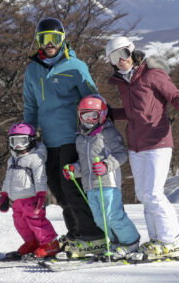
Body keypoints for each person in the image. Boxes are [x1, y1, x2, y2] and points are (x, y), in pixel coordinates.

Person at [104, 36, 179, 258]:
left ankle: (172, 239)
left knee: (154, 193)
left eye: (124, 54)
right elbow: (134, 113)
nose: (121, 61)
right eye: (114, 57)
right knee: (143, 194)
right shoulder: (122, 82)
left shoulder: (152, 73)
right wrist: (111, 114)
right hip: (136, 145)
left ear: (132, 52)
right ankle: (157, 239)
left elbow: (174, 96)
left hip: (158, 141)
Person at [22, 17, 106, 255]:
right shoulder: (33, 70)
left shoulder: (76, 67)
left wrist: (94, 130)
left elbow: (93, 100)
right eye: (44, 39)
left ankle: (93, 235)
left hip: (73, 137)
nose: (50, 44)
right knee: (58, 190)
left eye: (55, 39)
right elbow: (30, 106)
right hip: (48, 140)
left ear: (63, 40)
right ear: (38, 41)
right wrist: (28, 135)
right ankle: (76, 233)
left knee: (74, 189)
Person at [62, 94, 141, 258]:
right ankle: (115, 243)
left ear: (102, 115)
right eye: (85, 115)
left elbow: (120, 154)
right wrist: (73, 170)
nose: (89, 119)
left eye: (94, 116)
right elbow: (84, 165)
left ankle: (130, 242)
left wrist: (105, 165)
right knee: (100, 220)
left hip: (108, 183)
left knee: (113, 216)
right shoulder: (81, 139)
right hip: (90, 185)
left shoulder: (109, 133)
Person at [0, 123, 59, 260]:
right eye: (14, 142)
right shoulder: (12, 160)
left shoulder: (36, 158)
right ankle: (33, 243)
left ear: (31, 141)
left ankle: (50, 244)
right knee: (20, 222)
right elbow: (8, 178)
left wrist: (41, 195)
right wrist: (4, 195)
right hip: (17, 200)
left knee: (37, 222)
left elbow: (40, 178)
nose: (18, 146)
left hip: (32, 198)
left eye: (22, 142)